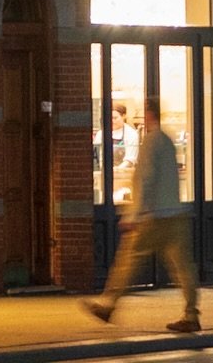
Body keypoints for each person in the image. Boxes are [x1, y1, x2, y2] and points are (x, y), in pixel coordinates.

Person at [83, 98, 200, 334]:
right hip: (175, 214)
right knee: (183, 267)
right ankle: (191, 314)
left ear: (149, 114)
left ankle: (108, 304)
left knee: (128, 261)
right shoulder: (167, 141)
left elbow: (144, 179)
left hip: (152, 217)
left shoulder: (150, 142)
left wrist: (132, 214)